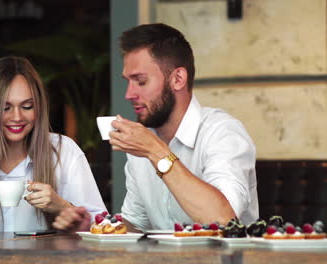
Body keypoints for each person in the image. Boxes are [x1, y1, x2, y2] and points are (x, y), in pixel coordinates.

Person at [53, 23, 258, 232]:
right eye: (128, 82)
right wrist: (92, 227)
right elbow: (136, 226)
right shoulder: (143, 144)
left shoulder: (222, 132)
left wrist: (156, 152)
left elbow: (222, 220)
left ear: (177, 79)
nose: (129, 94)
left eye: (140, 81)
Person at [0, 56, 106, 232]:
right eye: (5, 108)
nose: (17, 117)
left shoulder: (64, 151)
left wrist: (63, 206)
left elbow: (103, 227)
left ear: (38, 107)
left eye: (26, 107)